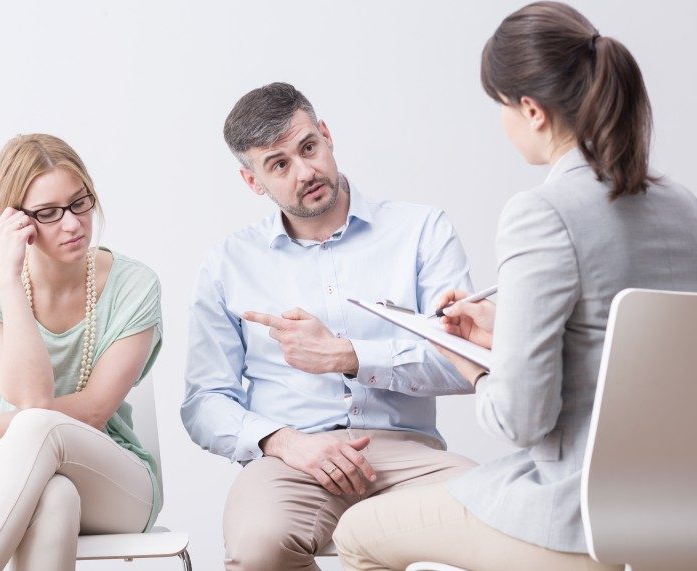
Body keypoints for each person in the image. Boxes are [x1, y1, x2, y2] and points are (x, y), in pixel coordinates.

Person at [332, 1, 697, 570]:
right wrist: (505, 332)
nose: (502, 122)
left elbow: (521, 421)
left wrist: (464, 359)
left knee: (357, 534)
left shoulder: (543, 212)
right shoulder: (684, 208)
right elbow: (618, 345)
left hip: (576, 517)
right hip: (686, 512)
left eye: (501, 107)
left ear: (531, 109)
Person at [180, 82, 477, 571]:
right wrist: (283, 441)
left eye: (309, 148)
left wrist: (349, 356)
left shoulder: (421, 231)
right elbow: (203, 401)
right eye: (279, 164)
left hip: (407, 455)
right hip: (292, 459)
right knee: (258, 547)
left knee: (503, 518)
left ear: (326, 134)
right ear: (253, 181)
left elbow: (463, 363)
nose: (306, 172)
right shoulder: (227, 264)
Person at [0, 134, 164, 571]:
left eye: (80, 203)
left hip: (113, 480)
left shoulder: (134, 286)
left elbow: (90, 413)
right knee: (55, 496)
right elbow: (33, 397)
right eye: (48, 213)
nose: (72, 224)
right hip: (2, 474)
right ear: (16, 220)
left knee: (41, 433)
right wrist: (11, 279)